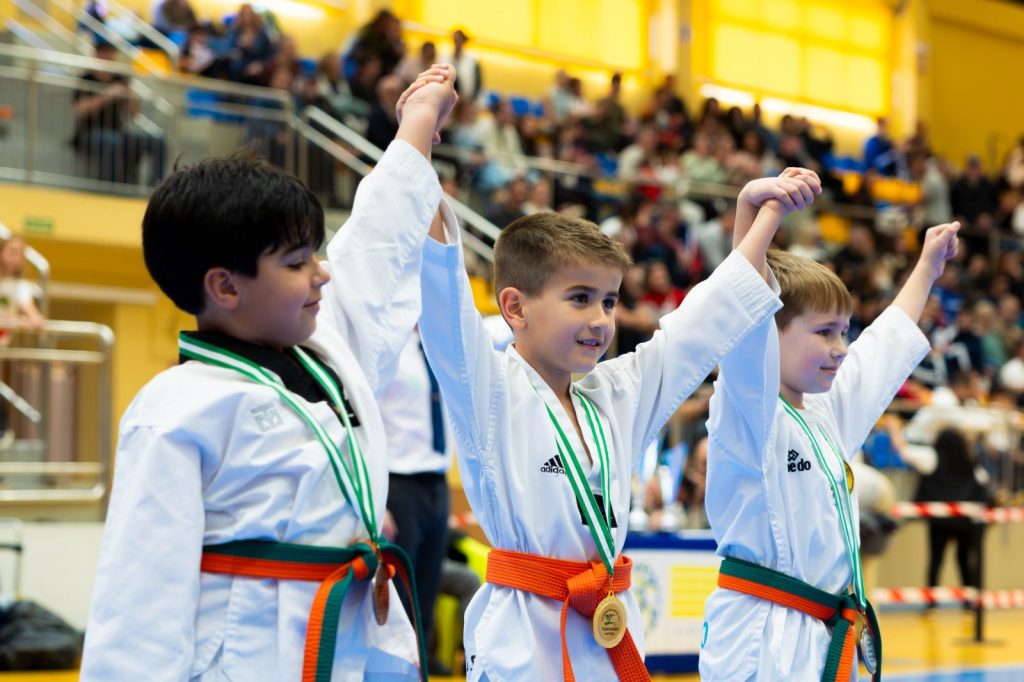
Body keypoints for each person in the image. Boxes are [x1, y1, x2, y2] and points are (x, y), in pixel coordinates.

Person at [80, 66, 460, 680]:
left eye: (314, 255)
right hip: (248, 657)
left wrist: (417, 123)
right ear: (225, 287)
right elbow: (139, 595)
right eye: (296, 262)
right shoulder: (174, 411)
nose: (321, 273)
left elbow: (376, 244)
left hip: (349, 641)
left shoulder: (329, 352)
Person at [415, 164, 820, 678]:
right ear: (514, 307)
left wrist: (758, 216)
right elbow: (443, 298)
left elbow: (697, 329)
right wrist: (419, 139)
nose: (600, 320)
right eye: (580, 298)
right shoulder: (489, 390)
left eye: (609, 302)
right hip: (525, 641)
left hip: (608, 633)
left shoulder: (612, 396)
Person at [699, 171, 960, 681]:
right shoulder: (749, 409)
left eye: (843, 331)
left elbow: (884, 347)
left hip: (821, 629)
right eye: (824, 332)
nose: (840, 349)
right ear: (769, 334)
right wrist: (755, 214)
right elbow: (741, 308)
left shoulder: (823, 413)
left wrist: (927, 269)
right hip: (762, 635)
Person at [380, 330, 454, 676]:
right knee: (399, 595)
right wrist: (378, 500)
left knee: (427, 589)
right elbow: (367, 421)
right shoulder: (389, 346)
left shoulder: (438, 347)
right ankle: (393, 671)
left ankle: (419, 669)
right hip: (398, 482)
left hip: (437, 481)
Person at [914, 427, 993, 597]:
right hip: (964, 522)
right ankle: (969, 601)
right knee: (963, 560)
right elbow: (985, 483)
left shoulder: (934, 459)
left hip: (939, 521)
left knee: (936, 560)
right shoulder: (971, 463)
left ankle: (931, 602)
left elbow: (906, 452)